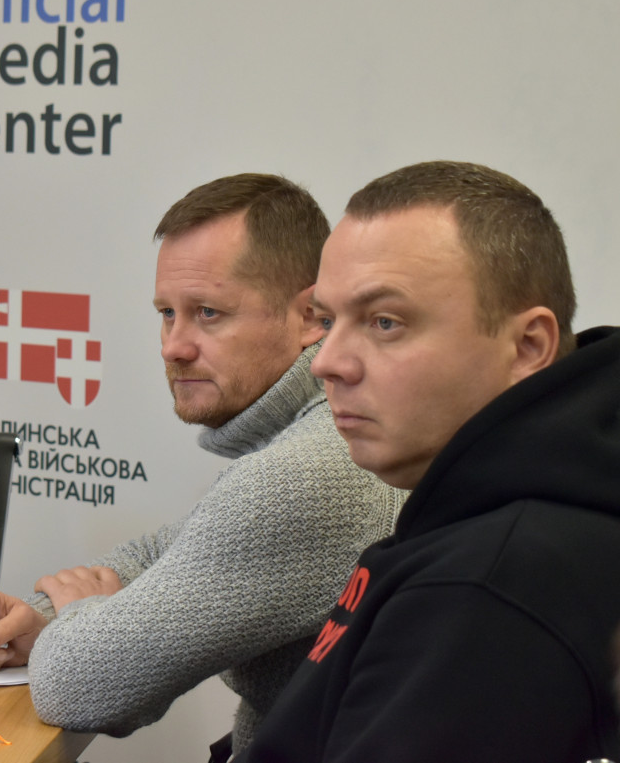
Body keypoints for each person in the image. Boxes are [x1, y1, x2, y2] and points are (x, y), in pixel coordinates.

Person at [0, 174, 406, 756]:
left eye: (208, 312)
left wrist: (81, 615)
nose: (173, 346)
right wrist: (43, 620)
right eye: (167, 312)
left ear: (311, 315)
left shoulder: (306, 470)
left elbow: (77, 688)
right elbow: (174, 550)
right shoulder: (312, 433)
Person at [235, 161, 620, 762]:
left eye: (385, 322)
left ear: (528, 347)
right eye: (329, 321)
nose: (326, 362)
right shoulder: (498, 523)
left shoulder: (486, 587)